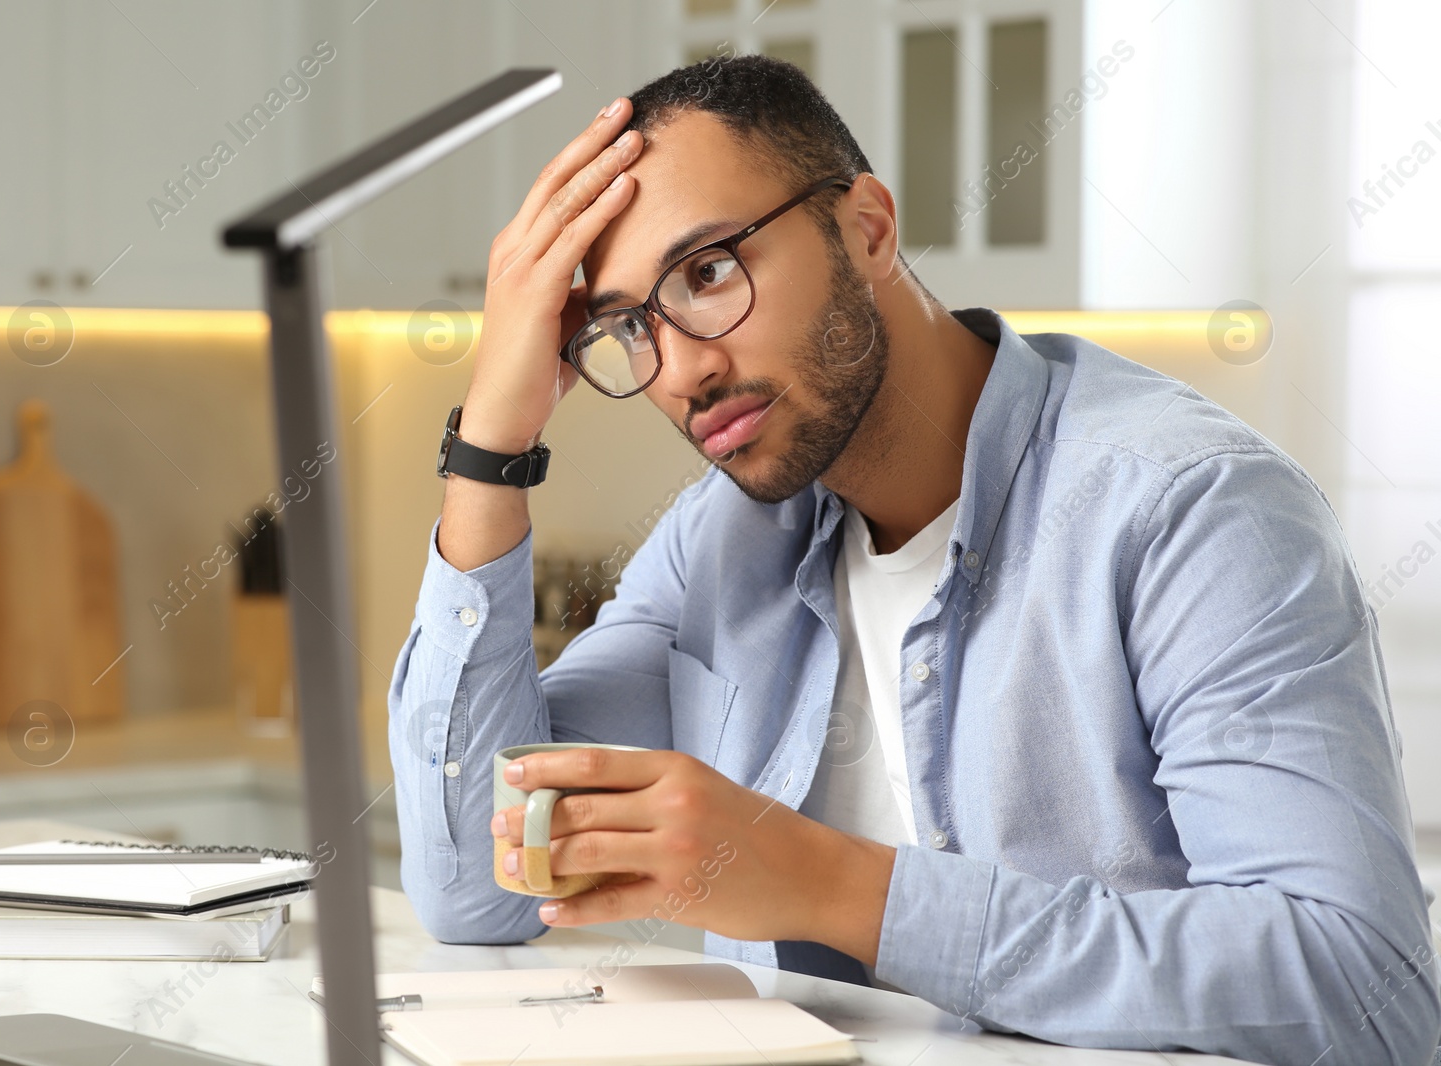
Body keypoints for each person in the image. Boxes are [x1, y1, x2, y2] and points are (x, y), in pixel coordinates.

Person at [388, 55, 1439, 1065]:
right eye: (628, 329)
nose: (682, 371)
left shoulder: (1188, 508)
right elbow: (479, 886)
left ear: (869, 226)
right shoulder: (719, 543)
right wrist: (489, 448)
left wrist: (836, 887)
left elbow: (1364, 990)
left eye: (708, 273)